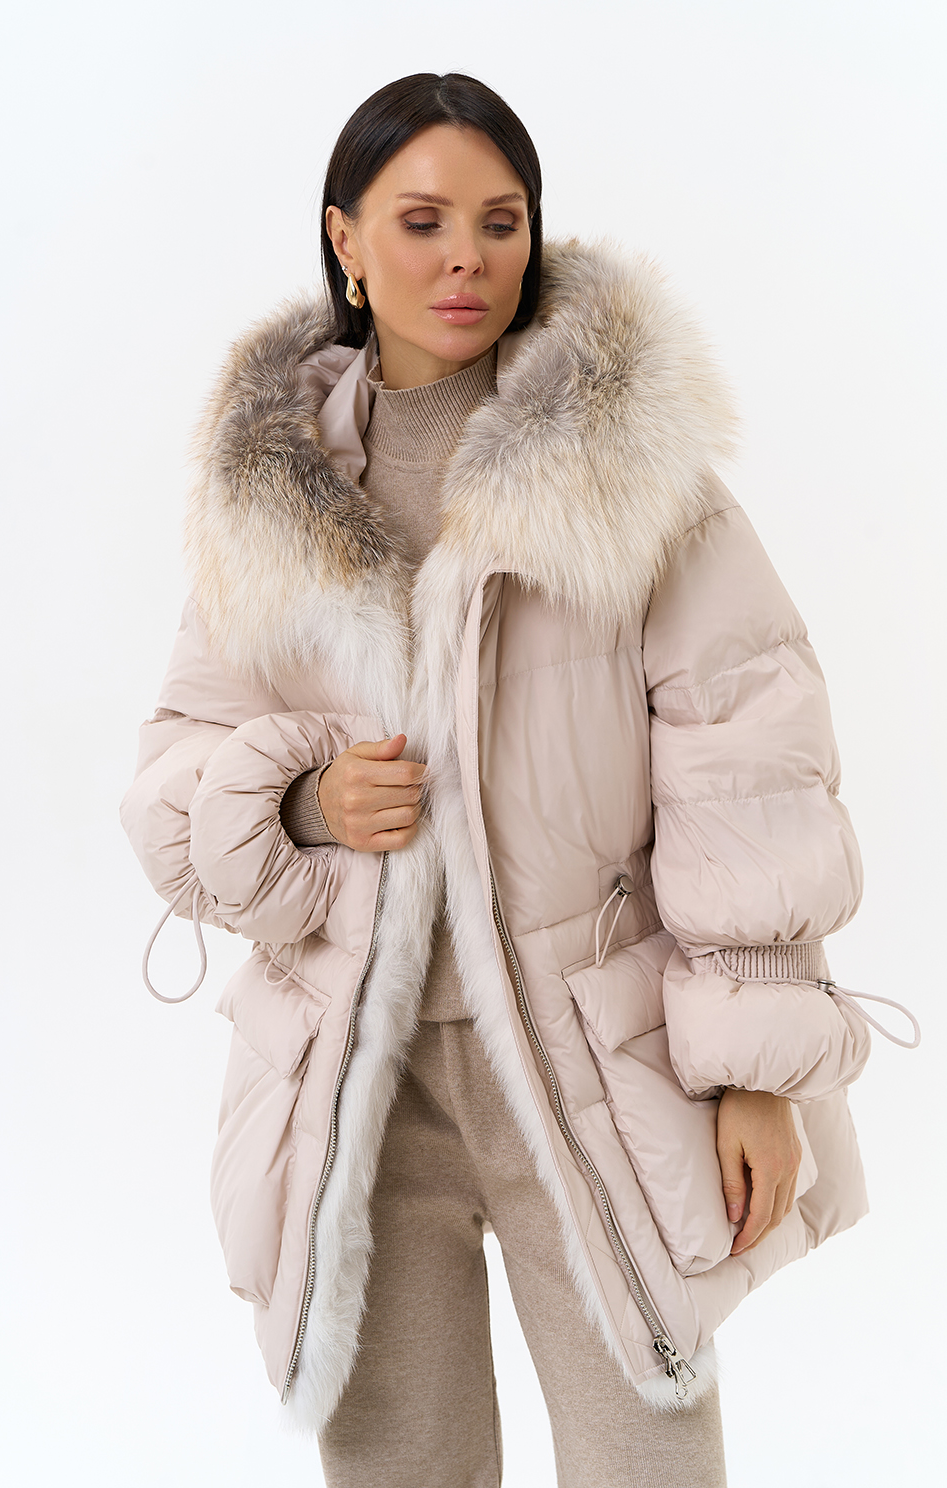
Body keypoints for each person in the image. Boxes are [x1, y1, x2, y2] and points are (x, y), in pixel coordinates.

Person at [121, 72, 910, 1488]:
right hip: (357, 1086)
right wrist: (298, 802)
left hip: (598, 1058)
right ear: (346, 239)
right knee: (399, 1467)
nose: (467, 259)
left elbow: (750, 758)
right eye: (421, 221)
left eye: (501, 221)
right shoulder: (268, 497)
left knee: (647, 1459)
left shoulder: (624, 470)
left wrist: (753, 1071)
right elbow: (172, 774)